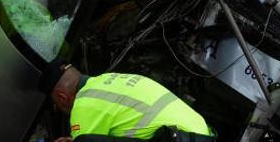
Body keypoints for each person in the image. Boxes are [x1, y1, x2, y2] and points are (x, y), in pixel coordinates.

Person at [39, 60, 215, 141]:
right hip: (200, 134)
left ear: (62, 97)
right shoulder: (109, 79)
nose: (59, 108)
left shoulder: (83, 105)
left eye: (57, 104)